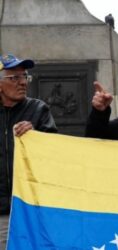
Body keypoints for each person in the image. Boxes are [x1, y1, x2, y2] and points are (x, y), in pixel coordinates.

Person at [0, 54, 57, 249]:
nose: (22, 82)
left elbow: (54, 152)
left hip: (32, 210)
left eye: (25, 76)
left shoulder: (38, 109)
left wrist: (36, 136)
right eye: (14, 78)